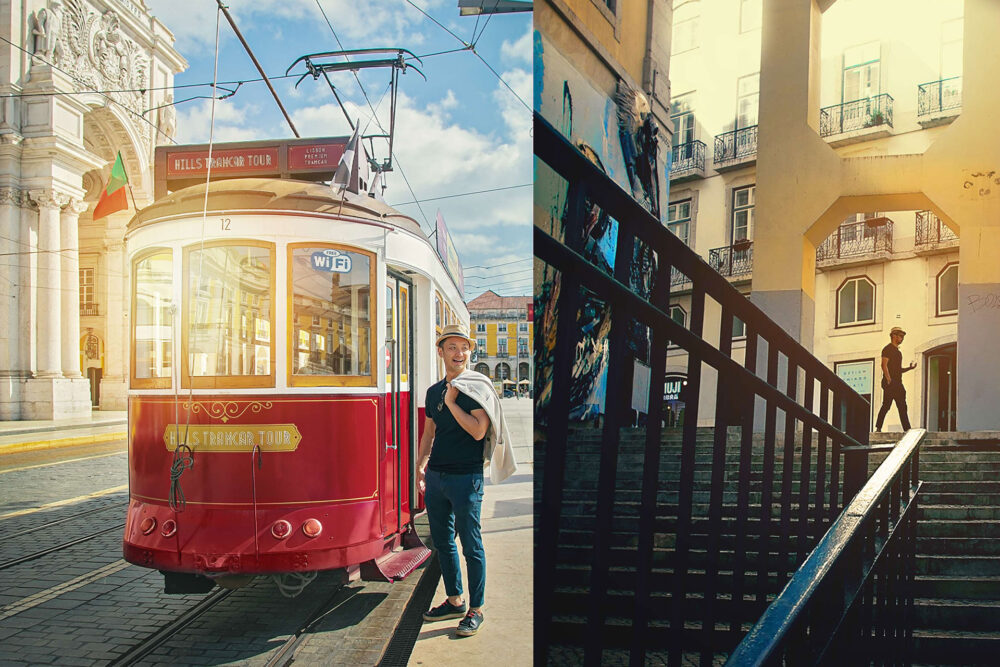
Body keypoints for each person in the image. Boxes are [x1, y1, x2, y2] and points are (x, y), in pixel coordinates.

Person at [417, 324, 517, 637]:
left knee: (472, 545)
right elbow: (429, 432)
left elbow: (477, 430)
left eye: (464, 348)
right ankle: (455, 600)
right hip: (437, 478)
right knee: (444, 543)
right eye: (452, 348)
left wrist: (452, 402)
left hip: (466, 478)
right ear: (441, 352)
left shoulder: (477, 388)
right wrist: (419, 467)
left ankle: (476, 609)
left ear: (469, 352)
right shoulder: (433, 392)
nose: (459, 354)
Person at [875, 326, 916, 432]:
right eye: (900, 336)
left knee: (902, 406)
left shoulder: (898, 352)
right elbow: (884, 365)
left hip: (898, 383)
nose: (902, 339)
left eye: (903, 337)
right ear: (894, 336)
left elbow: (898, 370)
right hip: (891, 383)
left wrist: (909, 368)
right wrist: (889, 379)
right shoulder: (887, 349)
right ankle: (878, 428)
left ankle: (907, 429)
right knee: (886, 406)